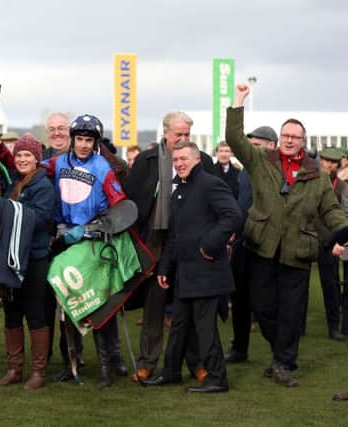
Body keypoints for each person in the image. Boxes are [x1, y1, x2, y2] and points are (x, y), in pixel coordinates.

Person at [226, 83, 348, 387]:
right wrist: (239, 100)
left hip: (298, 252)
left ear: (303, 141)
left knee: (293, 313)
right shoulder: (260, 162)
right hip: (263, 248)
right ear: (279, 139)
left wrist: (343, 230)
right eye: (286, 136)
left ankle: (283, 363)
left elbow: (330, 209)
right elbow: (234, 138)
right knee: (264, 307)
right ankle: (283, 352)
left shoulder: (317, 175)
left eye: (295, 137)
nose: (290, 141)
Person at [124, 111, 214, 383]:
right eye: (179, 134)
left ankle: (196, 363)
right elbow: (132, 201)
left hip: (191, 243)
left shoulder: (204, 161)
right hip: (154, 243)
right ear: (165, 133)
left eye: (187, 135)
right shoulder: (146, 160)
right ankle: (147, 363)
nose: (184, 139)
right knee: (154, 308)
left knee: (188, 308)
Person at [148, 141, 241, 393]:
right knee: (179, 325)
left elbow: (233, 215)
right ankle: (171, 373)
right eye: (176, 160)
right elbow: (175, 236)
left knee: (204, 328)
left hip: (208, 272)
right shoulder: (179, 190)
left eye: (184, 159)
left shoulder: (211, 184)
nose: (179, 164)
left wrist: (209, 245)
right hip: (185, 273)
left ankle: (217, 379)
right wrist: (165, 268)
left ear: (197, 159)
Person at [45, 114, 127, 388]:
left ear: (95, 143)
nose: (82, 144)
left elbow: (121, 210)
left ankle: (108, 366)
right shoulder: (57, 162)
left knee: (98, 305)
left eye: (87, 140)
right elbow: (29, 170)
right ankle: (72, 362)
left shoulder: (103, 167)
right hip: (62, 241)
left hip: (91, 242)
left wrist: (90, 229)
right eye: (78, 139)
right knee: (66, 307)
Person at [0, 134, 55, 390]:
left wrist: (8, 212)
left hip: (34, 258)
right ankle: (14, 368)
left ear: (37, 159)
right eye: (18, 155)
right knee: (12, 313)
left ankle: (39, 371)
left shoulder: (43, 186)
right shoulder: (14, 184)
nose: (21, 159)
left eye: (27, 155)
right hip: (12, 258)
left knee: (35, 313)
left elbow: (41, 218)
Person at [225, 125, 278, 364]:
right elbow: (240, 203)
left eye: (257, 145)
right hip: (242, 243)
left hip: (265, 245)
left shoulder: (277, 171)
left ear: (272, 146)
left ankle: (281, 353)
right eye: (251, 145)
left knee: (264, 304)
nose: (252, 149)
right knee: (239, 299)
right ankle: (240, 348)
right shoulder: (245, 170)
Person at [315, 148, 348, 341]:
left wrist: (336, 240)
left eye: (332, 162)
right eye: (326, 161)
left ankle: (334, 327)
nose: (328, 165)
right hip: (310, 239)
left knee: (331, 286)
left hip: (331, 243)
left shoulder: (342, 186)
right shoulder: (310, 181)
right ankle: (297, 328)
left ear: (337, 165)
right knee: (300, 289)